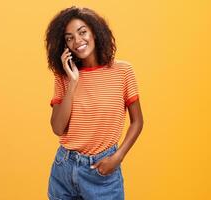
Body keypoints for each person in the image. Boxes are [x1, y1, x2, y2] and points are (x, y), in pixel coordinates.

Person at [45, 6, 144, 200]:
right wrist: (73, 82)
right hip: (63, 167)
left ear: (95, 33)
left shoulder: (123, 72)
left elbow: (137, 121)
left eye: (82, 32)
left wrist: (118, 157)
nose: (77, 41)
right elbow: (57, 128)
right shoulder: (63, 77)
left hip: (101, 170)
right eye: (69, 37)